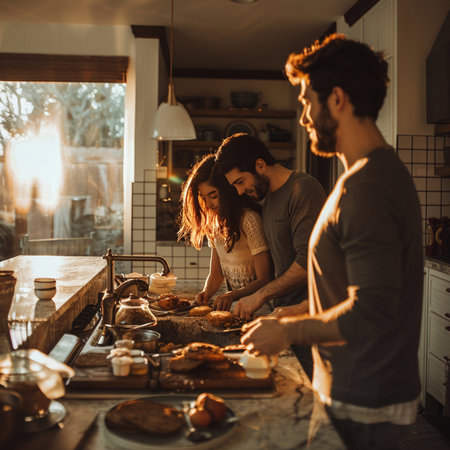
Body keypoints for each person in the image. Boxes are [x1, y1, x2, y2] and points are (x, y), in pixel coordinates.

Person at [241, 34, 423, 449]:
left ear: (337, 99)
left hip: (363, 401)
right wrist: (289, 316)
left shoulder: (368, 187)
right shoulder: (367, 175)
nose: (304, 116)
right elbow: (348, 291)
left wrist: (288, 335)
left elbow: (373, 312)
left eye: (307, 101)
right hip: (357, 390)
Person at [178, 153, 272, 311]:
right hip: (236, 309)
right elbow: (216, 274)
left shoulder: (249, 220)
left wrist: (231, 295)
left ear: (228, 191)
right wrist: (206, 293)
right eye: (203, 197)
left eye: (213, 196)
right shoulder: (216, 224)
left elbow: (265, 279)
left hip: (260, 309)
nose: (208, 204)